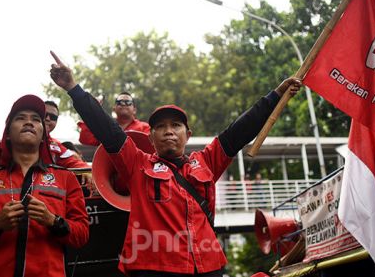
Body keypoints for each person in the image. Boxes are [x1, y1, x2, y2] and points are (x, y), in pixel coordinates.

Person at [49, 51, 301, 276]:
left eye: (175, 125)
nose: (168, 131)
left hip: (209, 267)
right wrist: (73, 88)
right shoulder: (137, 164)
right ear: (151, 136)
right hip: (154, 268)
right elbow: (106, 130)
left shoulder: (206, 162)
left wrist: (275, 96)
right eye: (161, 126)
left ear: (187, 134)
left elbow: (239, 131)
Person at [0, 94, 89, 277]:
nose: (29, 123)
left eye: (36, 120)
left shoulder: (66, 179)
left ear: (44, 137)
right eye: (20, 118)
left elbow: (82, 235)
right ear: (8, 135)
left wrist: (53, 221)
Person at [78, 92, 150, 146]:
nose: (124, 104)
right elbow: (85, 139)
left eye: (128, 102)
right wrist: (92, 111)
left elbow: (151, 145)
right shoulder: (105, 127)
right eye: (119, 102)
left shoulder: (145, 127)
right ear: (114, 109)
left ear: (134, 110)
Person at [44, 100, 88, 167]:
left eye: (53, 117)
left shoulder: (56, 145)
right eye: (44, 115)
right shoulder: (23, 137)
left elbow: (74, 162)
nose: (48, 118)